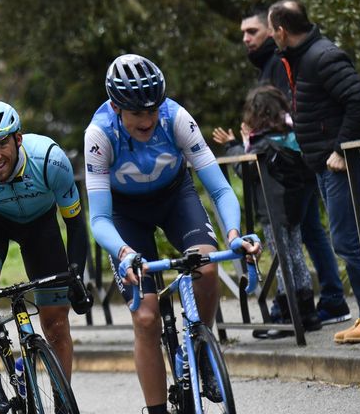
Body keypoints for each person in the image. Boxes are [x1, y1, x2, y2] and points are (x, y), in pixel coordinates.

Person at [84, 54, 260, 414]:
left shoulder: (176, 118)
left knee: (207, 267)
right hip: (124, 212)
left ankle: (201, 348)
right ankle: (157, 408)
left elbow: (221, 190)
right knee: (146, 318)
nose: (148, 119)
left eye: (153, 109)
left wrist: (233, 234)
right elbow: (99, 218)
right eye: (138, 113)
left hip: (175, 197)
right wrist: (123, 254)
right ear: (117, 107)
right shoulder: (99, 135)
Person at [0, 100, 91, 414]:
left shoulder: (50, 160)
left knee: (55, 324)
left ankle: (61, 405)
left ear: (18, 137)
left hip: (40, 225)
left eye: (2, 143)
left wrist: (76, 276)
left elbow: (75, 225)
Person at [215, 7, 350, 330]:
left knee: (295, 242)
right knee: (304, 237)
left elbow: (285, 117)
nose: (246, 39)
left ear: (273, 31)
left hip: (283, 182)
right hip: (297, 174)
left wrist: (241, 146)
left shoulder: (278, 63)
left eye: (253, 32)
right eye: (243, 33)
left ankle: (303, 306)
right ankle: (313, 304)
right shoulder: (269, 65)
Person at [268, 0, 360, 343]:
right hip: (324, 164)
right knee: (347, 241)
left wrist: (340, 148)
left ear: (281, 31)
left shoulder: (322, 56)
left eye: (270, 30)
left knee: (348, 242)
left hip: (340, 164)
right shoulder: (304, 58)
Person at [236, 85, 322, 336]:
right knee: (296, 255)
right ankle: (308, 313)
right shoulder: (292, 136)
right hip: (293, 207)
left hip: (272, 211)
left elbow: (245, 171)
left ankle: (288, 317)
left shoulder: (261, 145)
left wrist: (241, 145)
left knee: (281, 260)